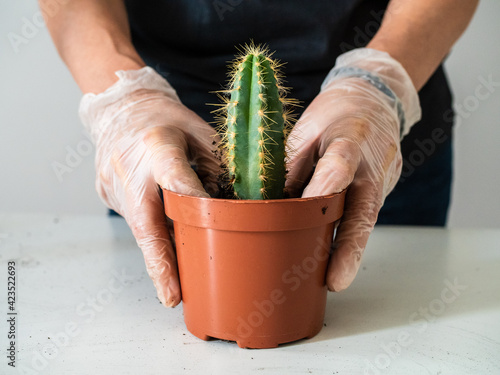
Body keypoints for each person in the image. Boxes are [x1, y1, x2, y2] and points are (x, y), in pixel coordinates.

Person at [40, 0, 478, 307]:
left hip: (373, 125)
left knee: (405, 316)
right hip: (161, 134)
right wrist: (123, 100)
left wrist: (380, 86)